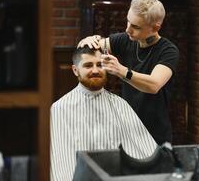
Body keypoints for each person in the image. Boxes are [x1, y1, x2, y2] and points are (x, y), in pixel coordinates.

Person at [77, 0, 179, 145]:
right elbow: (87, 49)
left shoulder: (168, 51)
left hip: (154, 136)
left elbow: (153, 85)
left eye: (136, 26)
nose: (128, 29)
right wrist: (87, 41)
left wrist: (121, 71)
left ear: (155, 27)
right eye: (128, 22)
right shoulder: (125, 39)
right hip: (126, 133)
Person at [50, 47, 157, 181]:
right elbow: (61, 162)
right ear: (75, 70)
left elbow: (145, 152)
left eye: (100, 65)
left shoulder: (120, 105)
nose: (95, 70)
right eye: (88, 65)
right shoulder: (60, 109)